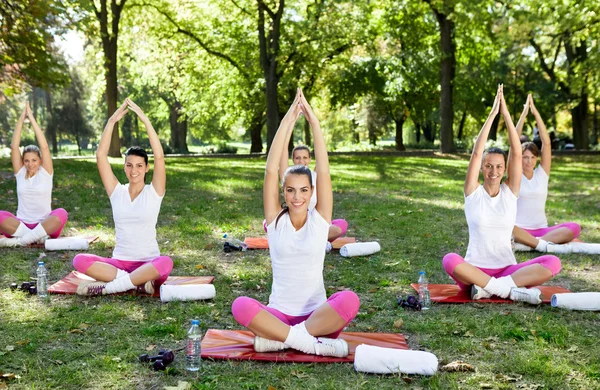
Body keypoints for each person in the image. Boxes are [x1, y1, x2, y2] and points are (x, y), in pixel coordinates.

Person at [231, 89, 360, 357]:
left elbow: (323, 170)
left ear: (312, 192)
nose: (297, 196)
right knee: (241, 305)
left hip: (316, 316)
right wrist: (286, 121)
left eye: (303, 190)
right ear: (284, 192)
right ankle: (307, 342)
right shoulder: (275, 222)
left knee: (349, 300)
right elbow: (269, 171)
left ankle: (282, 340)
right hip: (278, 315)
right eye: (290, 190)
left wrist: (315, 123)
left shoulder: (320, 220)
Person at [442, 85, 561, 304]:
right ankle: (508, 291)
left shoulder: (510, 192)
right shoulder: (472, 193)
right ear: (481, 168)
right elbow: (477, 151)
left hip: (508, 270)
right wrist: (492, 115)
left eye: (498, 167)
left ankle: (490, 289)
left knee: (552, 262)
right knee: (450, 260)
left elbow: (516, 153)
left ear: (505, 169)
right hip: (474, 270)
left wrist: (506, 114)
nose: (493, 171)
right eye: (488, 166)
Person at [74, 98, 172, 296]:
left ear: (146, 168)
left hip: (148, 264)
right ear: (124, 167)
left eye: (138, 166)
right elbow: (101, 156)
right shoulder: (116, 192)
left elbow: (159, 156)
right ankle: (135, 284)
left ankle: (112, 287)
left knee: (165, 262)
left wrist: (145, 121)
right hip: (119, 263)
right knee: (79, 260)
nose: (133, 170)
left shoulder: (154, 192)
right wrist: (111, 122)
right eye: (129, 165)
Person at [511, 94, 581, 252]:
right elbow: (514, 139)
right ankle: (540, 243)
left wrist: (535, 113)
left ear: (536, 159)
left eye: (532, 157)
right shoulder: (515, 175)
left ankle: (533, 244)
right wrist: (524, 113)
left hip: (542, 230)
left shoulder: (541, 174)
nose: (528, 161)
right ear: (519, 158)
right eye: (524, 157)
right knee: (504, 228)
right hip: (519, 230)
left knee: (574, 227)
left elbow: (547, 143)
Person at [0, 102, 68, 247]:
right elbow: (14, 146)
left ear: (40, 160)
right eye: (26, 161)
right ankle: (36, 238)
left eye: (34, 160)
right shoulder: (20, 172)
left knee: (61, 213)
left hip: (45, 225)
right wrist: (21, 118)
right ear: (22, 161)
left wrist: (31, 117)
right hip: (20, 226)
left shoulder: (46, 172)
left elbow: (44, 146)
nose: (30, 164)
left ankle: (21, 241)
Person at [278, 144, 348, 244]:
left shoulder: (316, 176)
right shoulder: (288, 177)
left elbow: (322, 162)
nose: (301, 161)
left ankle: (310, 239)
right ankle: (316, 240)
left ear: (310, 159)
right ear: (292, 159)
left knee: (341, 225)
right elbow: (281, 154)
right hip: (294, 223)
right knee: (268, 223)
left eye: (305, 157)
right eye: (297, 158)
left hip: (315, 223)